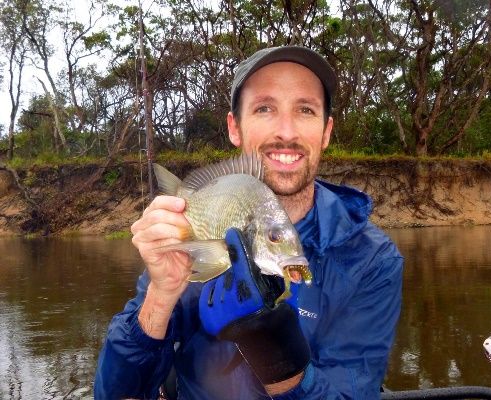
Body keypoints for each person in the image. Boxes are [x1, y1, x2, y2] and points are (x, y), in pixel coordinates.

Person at [94, 46, 404, 399]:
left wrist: (273, 352)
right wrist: (160, 297)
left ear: (326, 131)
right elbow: (115, 393)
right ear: (234, 128)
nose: (286, 132)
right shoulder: (196, 237)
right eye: (264, 108)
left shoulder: (371, 260)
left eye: (305, 109)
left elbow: (355, 390)